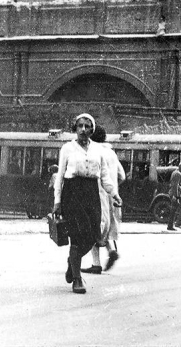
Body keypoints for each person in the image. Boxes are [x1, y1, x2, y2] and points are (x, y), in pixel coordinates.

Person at [52, 114, 121, 294]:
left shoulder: (98, 150)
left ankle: (71, 262)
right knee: (77, 235)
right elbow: (60, 177)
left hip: (91, 193)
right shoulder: (67, 148)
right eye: (80, 126)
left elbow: (104, 176)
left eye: (87, 126)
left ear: (92, 129)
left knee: (93, 237)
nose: (83, 129)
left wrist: (114, 194)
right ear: (75, 128)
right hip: (72, 193)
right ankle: (77, 279)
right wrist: (57, 201)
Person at [81, 125, 125, 274]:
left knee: (93, 227)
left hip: (97, 197)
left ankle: (96, 264)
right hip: (112, 198)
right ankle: (111, 251)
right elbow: (122, 176)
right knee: (104, 229)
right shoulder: (112, 153)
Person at [166, 162, 181, 231]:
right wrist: (176, 196)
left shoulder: (175, 172)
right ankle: (173, 225)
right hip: (176, 194)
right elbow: (175, 186)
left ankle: (172, 225)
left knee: (174, 210)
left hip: (175, 194)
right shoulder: (177, 174)